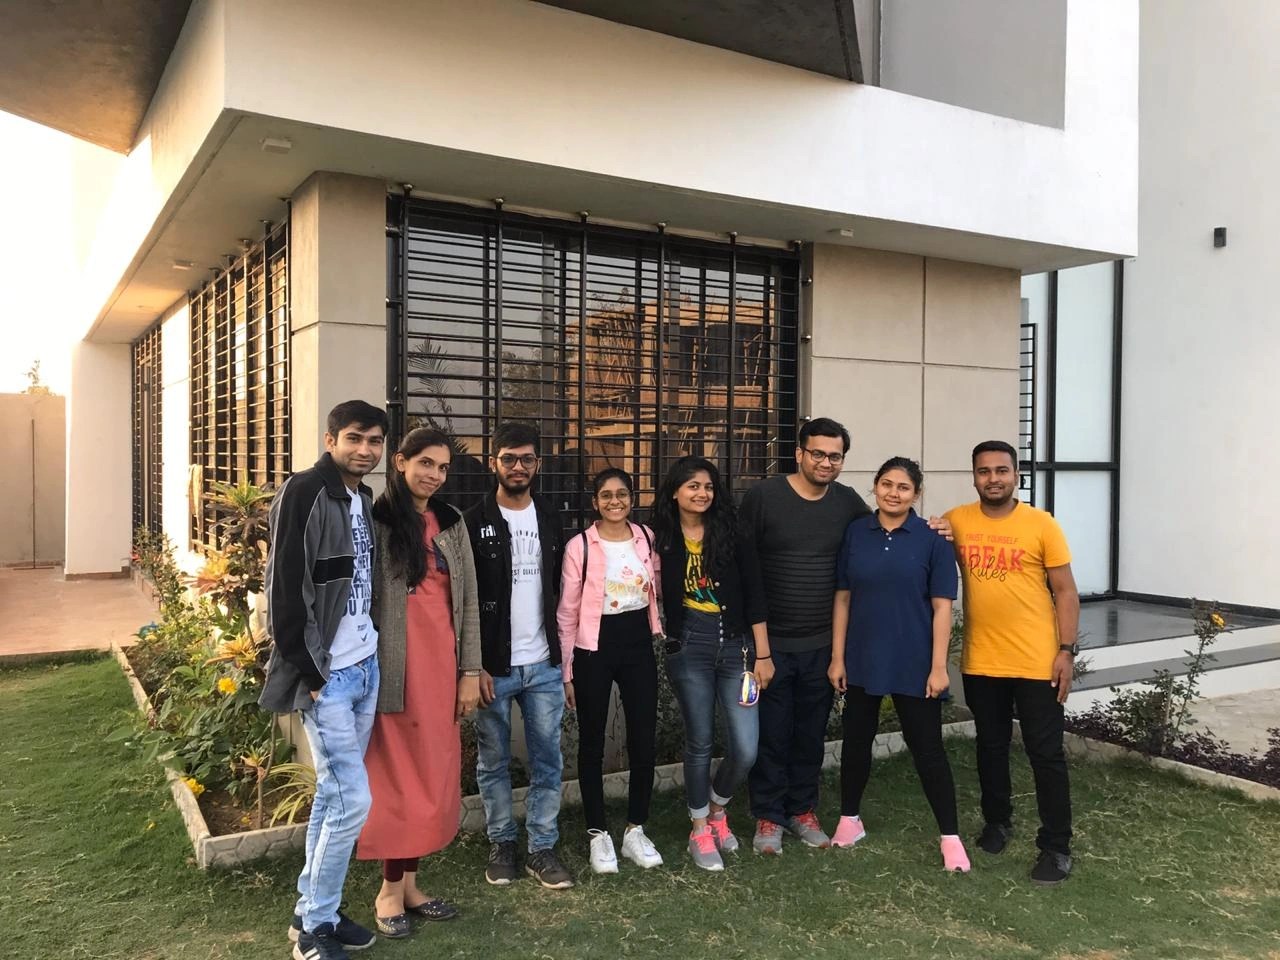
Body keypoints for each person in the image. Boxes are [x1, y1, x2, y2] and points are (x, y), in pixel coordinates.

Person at [739, 418, 953, 854]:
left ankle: (802, 810)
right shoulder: (764, 497)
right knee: (772, 734)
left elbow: (887, 528)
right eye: (817, 453)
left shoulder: (847, 504)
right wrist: (759, 647)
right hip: (771, 643)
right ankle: (768, 816)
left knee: (810, 734)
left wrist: (942, 528)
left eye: (834, 456)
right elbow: (746, 566)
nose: (825, 462)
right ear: (799, 453)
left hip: (822, 644)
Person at [260, 399, 387, 960]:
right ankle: (316, 928)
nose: (365, 449)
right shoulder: (306, 491)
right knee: (353, 801)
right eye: (355, 438)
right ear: (331, 438)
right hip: (328, 676)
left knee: (334, 797)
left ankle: (312, 913)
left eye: (375, 440)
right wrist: (311, 671)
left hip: (365, 666)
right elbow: (286, 590)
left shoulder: (361, 498)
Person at [358, 427, 481, 938]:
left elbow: (468, 602)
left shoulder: (451, 522)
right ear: (401, 462)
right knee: (397, 781)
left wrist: (469, 671)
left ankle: (410, 885)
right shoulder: (376, 521)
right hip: (394, 669)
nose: (434, 475)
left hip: (441, 669)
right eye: (425, 463)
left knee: (431, 776)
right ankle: (388, 891)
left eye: (442, 467)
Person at [946, 440, 1080, 886]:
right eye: (984, 471)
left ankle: (1056, 846)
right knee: (990, 746)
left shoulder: (1042, 524)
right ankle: (997, 823)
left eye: (1001, 470)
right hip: (982, 661)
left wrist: (1066, 651)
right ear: (974, 477)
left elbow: (1066, 592)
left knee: (1046, 754)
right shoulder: (956, 521)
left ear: (1016, 474)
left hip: (1038, 662)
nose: (993, 479)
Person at [827, 457, 968, 872]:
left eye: (903, 487)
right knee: (856, 742)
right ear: (875, 487)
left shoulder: (933, 539)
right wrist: (837, 657)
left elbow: (942, 608)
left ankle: (950, 836)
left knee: (928, 749)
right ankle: (849, 819)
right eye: (886, 484)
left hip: (914, 661)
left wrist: (939, 667)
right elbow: (843, 598)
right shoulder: (856, 533)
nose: (893, 493)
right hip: (862, 656)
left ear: (916, 494)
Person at [463, 422, 574, 890]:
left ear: (538, 464)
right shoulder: (473, 520)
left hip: (544, 664)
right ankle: (502, 841)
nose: (518, 467)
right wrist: (473, 666)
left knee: (548, 759)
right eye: (509, 458)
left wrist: (564, 664)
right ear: (494, 462)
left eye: (527, 459)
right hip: (494, 667)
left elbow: (561, 592)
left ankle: (542, 847)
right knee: (493, 760)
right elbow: (465, 601)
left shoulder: (550, 517)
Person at [652, 455, 769, 872]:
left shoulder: (733, 531)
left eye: (708, 486)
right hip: (690, 648)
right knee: (699, 741)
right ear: (675, 492)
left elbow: (755, 594)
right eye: (693, 486)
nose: (702, 493)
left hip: (738, 648)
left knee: (746, 747)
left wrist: (763, 654)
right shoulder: (659, 537)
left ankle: (718, 807)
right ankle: (700, 827)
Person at [557, 468, 665, 874]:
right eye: (606, 495)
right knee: (592, 742)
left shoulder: (645, 538)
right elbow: (566, 611)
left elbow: (655, 585)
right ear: (595, 502)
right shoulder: (580, 546)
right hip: (593, 647)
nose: (614, 501)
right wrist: (567, 670)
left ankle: (636, 828)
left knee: (643, 737)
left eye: (622, 494)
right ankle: (598, 833)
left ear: (632, 499)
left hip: (637, 643)